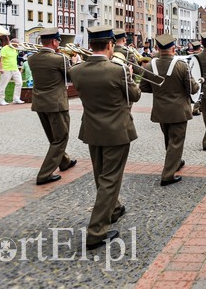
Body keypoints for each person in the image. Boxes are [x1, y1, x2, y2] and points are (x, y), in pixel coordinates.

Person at [69, 25, 140, 250]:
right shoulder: (118, 70)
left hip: (92, 129)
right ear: (110, 44)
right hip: (117, 131)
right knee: (110, 178)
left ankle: (114, 208)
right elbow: (135, 95)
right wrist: (130, 76)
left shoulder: (76, 70)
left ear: (91, 45)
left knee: (101, 173)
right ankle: (96, 231)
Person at [140, 34, 198, 186]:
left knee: (168, 138)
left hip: (160, 109)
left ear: (158, 48)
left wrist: (160, 91)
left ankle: (175, 162)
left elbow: (144, 87)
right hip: (179, 110)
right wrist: (198, 82)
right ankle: (168, 175)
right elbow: (192, 89)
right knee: (176, 141)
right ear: (173, 48)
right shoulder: (182, 65)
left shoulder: (150, 65)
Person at [27, 28, 77, 185]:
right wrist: (76, 63)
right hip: (56, 104)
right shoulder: (59, 59)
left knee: (53, 137)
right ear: (55, 41)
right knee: (61, 138)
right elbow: (72, 77)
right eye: (58, 41)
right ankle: (45, 174)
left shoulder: (32, 58)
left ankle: (64, 161)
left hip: (40, 103)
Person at [0, 36, 23, 105]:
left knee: (19, 82)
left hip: (15, 68)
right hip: (6, 69)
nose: (17, 45)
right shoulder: (4, 48)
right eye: (15, 44)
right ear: (11, 42)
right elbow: (1, 59)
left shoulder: (15, 49)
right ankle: (1, 100)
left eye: (17, 44)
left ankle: (16, 99)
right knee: (3, 85)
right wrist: (1, 68)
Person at [186, 41, 203, 116]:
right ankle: (196, 109)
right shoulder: (200, 57)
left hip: (191, 75)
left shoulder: (190, 56)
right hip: (199, 75)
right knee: (199, 92)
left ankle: (198, 107)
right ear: (199, 48)